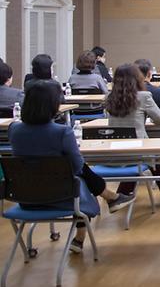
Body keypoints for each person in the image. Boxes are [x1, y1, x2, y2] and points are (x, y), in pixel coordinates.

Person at [9, 81, 135, 253]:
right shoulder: (61, 132)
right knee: (77, 179)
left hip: (25, 197)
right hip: (62, 196)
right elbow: (77, 166)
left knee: (75, 177)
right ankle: (98, 212)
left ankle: (107, 202)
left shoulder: (14, 129)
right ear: (53, 105)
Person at [106, 64, 160, 199]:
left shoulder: (110, 97)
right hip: (137, 150)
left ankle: (121, 195)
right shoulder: (144, 96)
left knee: (148, 155)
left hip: (113, 150)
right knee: (154, 155)